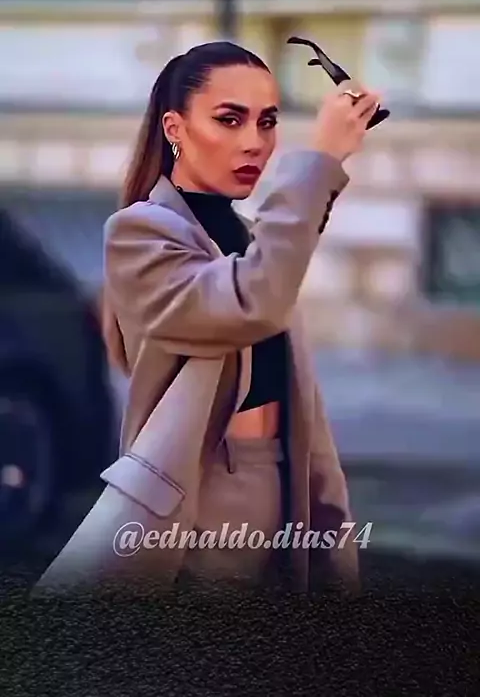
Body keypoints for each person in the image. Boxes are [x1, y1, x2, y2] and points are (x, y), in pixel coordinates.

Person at [35, 41, 379, 595]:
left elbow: (272, 277)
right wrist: (320, 161)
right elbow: (251, 301)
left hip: (285, 479)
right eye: (230, 119)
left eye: (267, 122)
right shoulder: (140, 233)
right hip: (199, 500)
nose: (254, 142)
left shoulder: (246, 234)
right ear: (175, 128)